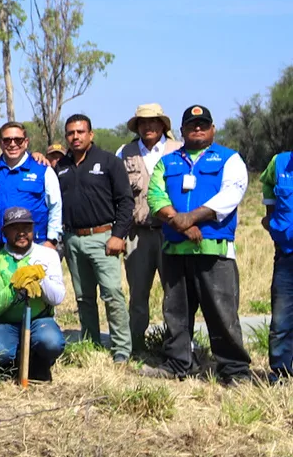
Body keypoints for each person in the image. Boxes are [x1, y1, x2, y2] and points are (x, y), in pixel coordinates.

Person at [141, 105, 252, 385]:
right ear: (182, 131)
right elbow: (155, 195)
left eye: (203, 124)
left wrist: (192, 217)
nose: (197, 129)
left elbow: (231, 195)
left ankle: (234, 370)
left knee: (222, 313)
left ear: (213, 129)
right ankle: (178, 363)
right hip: (175, 250)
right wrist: (180, 223)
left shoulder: (229, 159)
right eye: (192, 125)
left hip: (214, 250)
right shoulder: (168, 162)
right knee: (175, 313)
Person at [56, 114, 135, 363]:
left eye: (80, 132)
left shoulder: (109, 162)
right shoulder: (61, 166)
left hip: (103, 237)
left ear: (91, 134)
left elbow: (126, 201)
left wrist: (118, 235)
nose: (75, 137)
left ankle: (121, 348)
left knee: (112, 293)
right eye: (70, 133)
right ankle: (91, 342)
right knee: (83, 296)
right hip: (73, 238)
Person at [116, 103, 181, 355]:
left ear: (163, 124)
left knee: (175, 292)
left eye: (153, 121)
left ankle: (176, 345)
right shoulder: (125, 152)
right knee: (138, 292)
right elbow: (118, 195)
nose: (148, 126)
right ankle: (136, 345)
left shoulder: (178, 150)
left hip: (172, 232)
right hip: (137, 233)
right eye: (143, 122)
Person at [0, 207, 66, 382]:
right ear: (5, 232)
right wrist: (14, 287)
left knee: (51, 342)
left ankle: (39, 362)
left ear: (33, 229)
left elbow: (57, 298)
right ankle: (13, 363)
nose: (22, 233)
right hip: (5, 322)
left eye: (26, 228)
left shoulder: (48, 255)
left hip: (39, 319)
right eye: (15, 228)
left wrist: (40, 278)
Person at [0, 122, 62, 257]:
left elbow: (55, 207)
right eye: (7, 140)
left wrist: (52, 240)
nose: (13, 144)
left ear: (26, 142)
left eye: (18, 140)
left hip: (34, 247)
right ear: (0, 143)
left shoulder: (42, 169)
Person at [261, 149, 293, 384]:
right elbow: (267, 184)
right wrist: (272, 220)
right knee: (281, 318)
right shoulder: (280, 162)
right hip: (286, 253)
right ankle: (281, 373)